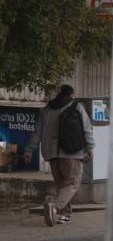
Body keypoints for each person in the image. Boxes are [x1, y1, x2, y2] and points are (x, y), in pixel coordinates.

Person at [23, 85, 94, 226]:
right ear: (71, 94)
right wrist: (90, 147)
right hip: (71, 153)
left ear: (58, 93)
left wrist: (28, 151)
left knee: (63, 186)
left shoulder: (46, 110)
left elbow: (37, 133)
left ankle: (65, 215)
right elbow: (87, 129)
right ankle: (54, 207)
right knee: (73, 183)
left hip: (51, 154)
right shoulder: (77, 106)